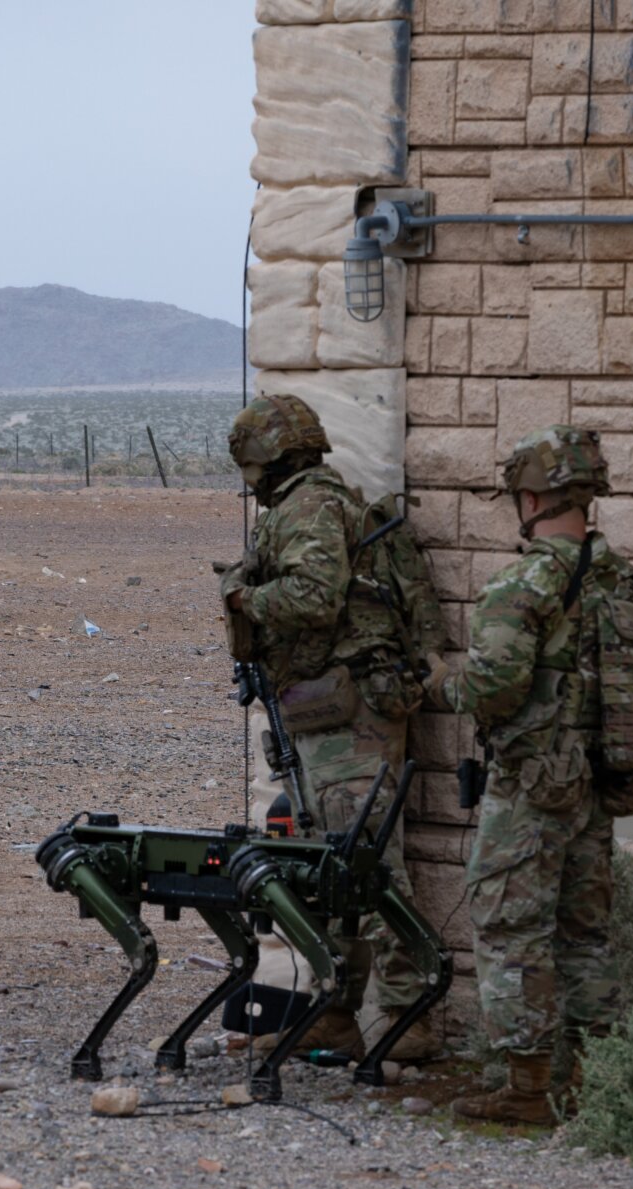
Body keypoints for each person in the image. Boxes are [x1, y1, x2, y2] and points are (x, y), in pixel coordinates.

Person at [218, 393, 447, 1062]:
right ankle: (337, 1012)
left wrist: (244, 598)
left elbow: (314, 599)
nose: (249, 481)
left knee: (368, 867)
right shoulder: (312, 505)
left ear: (268, 457)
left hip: (353, 716)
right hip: (328, 710)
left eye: (250, 465)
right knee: (334, 869)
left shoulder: (310, 509)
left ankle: (411, 1018)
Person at [427, 423, 633, 1124]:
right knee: (583, 932)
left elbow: (492, 687)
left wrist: (438, 681)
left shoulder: (523, 581)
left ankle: (528, 1091)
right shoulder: (620, 579)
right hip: (596, 779)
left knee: (508, 923)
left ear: (530, 496)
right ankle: (589, 1080)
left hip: (532, 784)